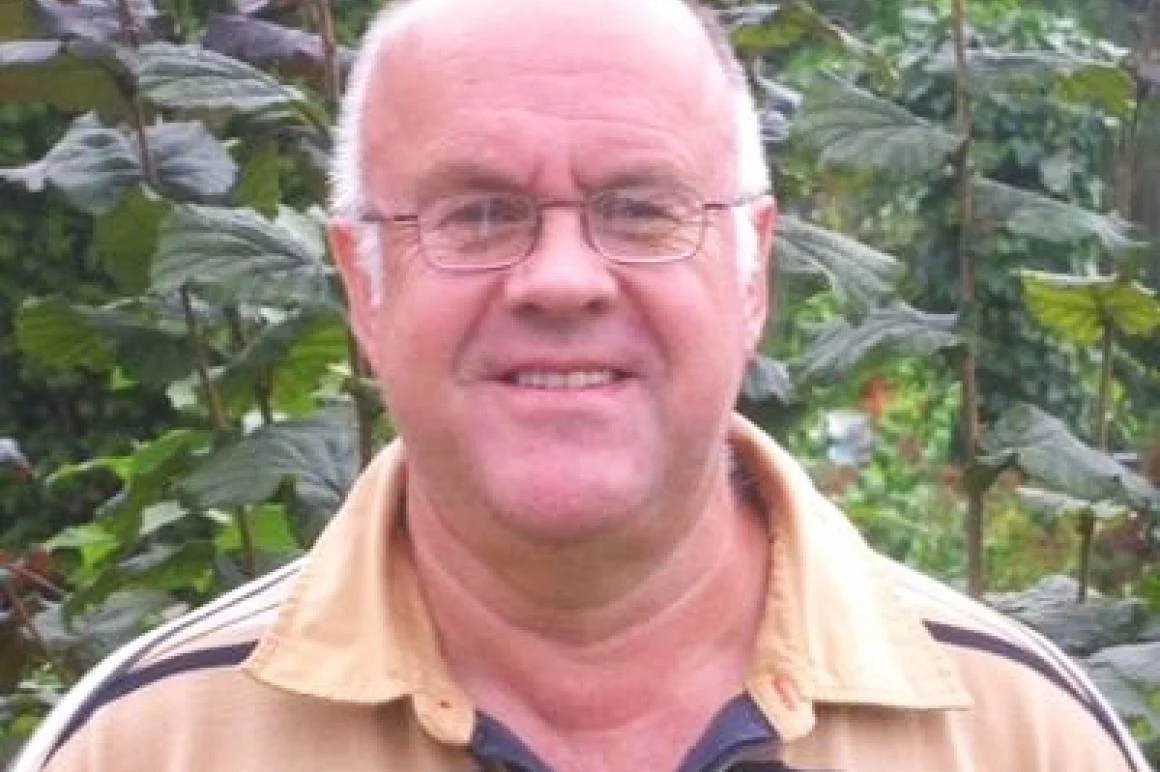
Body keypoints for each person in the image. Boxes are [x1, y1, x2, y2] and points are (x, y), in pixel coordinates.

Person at [13, 0, 1151, 770]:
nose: (561, 278)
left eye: (641, 209)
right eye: (477, 213)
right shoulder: (148, 745)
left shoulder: (1022, 737)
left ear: (752, 269)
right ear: (362, 284)